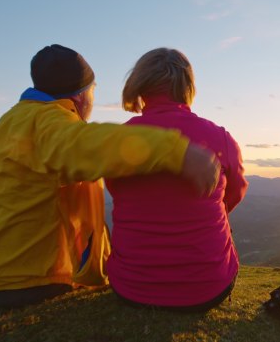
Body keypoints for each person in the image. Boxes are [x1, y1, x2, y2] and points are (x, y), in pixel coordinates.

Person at [0, 44, 220, 308]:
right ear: (81, 96)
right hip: (25, 281)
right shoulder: (48, 124)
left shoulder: (12, 122)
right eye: (93, 91)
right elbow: (91, 144)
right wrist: (177, 150)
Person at [106, 48, 248, 312]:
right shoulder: (220, 138)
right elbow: (236, 193)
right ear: (187, 86)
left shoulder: (118, 140)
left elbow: (116, 192)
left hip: (130, 288)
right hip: (208, 289)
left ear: (140, 84)